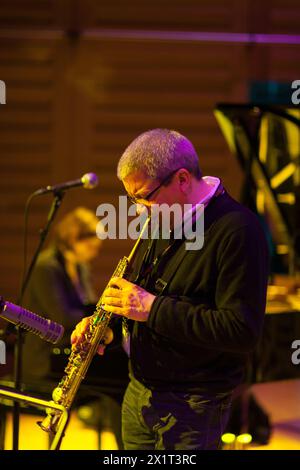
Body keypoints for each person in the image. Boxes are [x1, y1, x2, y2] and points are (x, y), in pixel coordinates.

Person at [71, 129, 269, 450]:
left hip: (192, 405)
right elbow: (148, 299)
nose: (138, 209)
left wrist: (151, 308)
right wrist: (110, 329)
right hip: (139, 392)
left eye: (145, 196)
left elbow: (241, 329)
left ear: (181, 179)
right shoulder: (161, 219)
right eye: (132, 200)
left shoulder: (238, 230)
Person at [22, 207, 124, 449]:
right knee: (117, 376)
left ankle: (123, 445)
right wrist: (96, 320)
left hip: (68, 346)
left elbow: (87, 305)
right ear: (74, 239)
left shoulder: (79, 266)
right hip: (45, 354)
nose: (94, 252)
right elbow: (63, 317)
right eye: (90, 246)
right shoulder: (46, 267)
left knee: (116, 375)